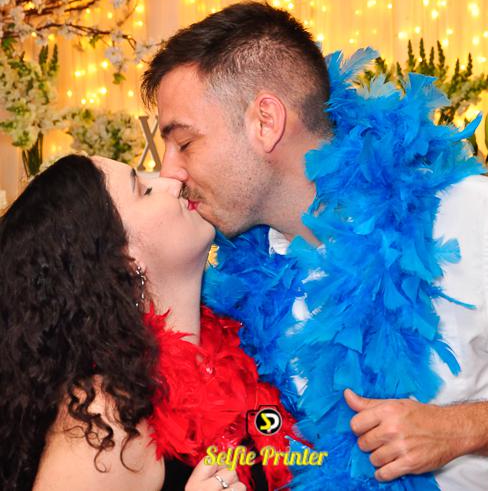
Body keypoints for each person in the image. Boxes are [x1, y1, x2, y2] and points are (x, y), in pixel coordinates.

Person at [141, 1, 488, 489]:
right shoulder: (241, 296)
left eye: (184, 142)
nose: (169, 172)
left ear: (266, 122)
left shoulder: (477, 219)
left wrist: (460, 429)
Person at [0, 154, 296, 491]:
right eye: (143, 190)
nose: (172, 181)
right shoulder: (103, 416)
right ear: (122, 261)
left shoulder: (240, 340)